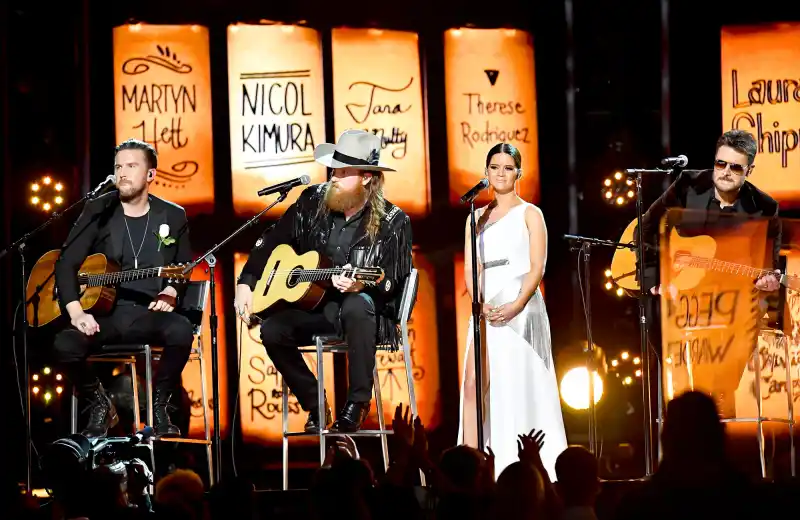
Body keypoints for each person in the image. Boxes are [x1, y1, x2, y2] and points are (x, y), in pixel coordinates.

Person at [234, 129, 413, 433]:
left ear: (366, 177)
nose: (333, 176)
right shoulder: (312, 201)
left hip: (364, 316)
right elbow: (272, 239)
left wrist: (362, 284)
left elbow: (392, 281)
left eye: (343, 172)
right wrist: (246, 281)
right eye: (333, 169)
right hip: (317, 309)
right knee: (272, 329)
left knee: (358, 304)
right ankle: (315, 404)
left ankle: (356, 403)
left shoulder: (394, 222)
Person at [53, 138, 194, 439]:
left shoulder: (173, 215)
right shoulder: (98, 210)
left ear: (151, 175)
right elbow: (66, 264)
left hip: (149, 314)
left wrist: (171, 292)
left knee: (181, 330)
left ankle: (161, 405)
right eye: (119, 166)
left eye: (132, 166)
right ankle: (100, 404)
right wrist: (77, 312)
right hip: (105, 316)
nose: (123, 173)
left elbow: (183, 268)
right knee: (65, 344)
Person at [637, 129, 782, 420]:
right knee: (659, 322)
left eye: (736, 167)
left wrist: (768, 282)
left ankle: (719, 403)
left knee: (749, 318)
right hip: (680, 294)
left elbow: (768, 266)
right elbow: (646, 226)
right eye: (720, 164)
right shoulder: (688, 184)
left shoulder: (764, 208)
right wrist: (656, 280)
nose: (725, 172)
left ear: (749, 170)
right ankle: (681, 407)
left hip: (728, 302)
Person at [457, 142, 567, 481]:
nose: (500, 173)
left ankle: (529, 466)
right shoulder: (475, 217)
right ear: (485, 171)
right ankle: (469, 467)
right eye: (494, 167)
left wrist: (516, 304)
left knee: (519, 383)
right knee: (475, 384)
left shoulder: (530, 214)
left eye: (507, 167)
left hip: (520, 309)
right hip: (486, 310)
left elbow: (537, 266)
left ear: (519, 172)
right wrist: (481, 302)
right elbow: (471, 268)